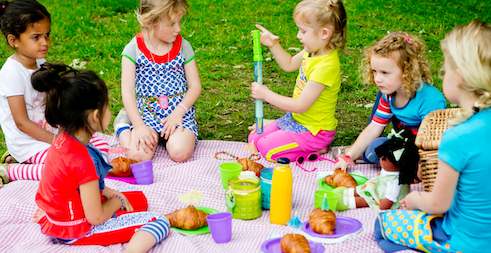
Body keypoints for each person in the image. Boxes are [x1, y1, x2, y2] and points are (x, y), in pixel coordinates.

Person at [374, 20, 491, 253]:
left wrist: (415, 201)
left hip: (463, 242)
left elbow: (438, 203)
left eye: (445, 70)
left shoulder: (457, 137)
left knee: (382, 225)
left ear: (461, 77)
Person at [33, 63, 170, 252]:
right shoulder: (83, 160)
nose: (111, 111)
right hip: (76, 230)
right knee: (159, 221)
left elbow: (66, 182)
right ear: (95, 116)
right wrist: (116, 202)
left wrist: (108, 192)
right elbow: (95, 218)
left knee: (139, 199)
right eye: (108, 106)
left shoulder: (63, 139)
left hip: (57, 215)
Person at [0, 0, 108, 186]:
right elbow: (22, 123)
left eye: (47, 35)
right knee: (68, 168)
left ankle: (28, 161)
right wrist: (58, 141)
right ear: (14, 40)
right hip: (28, 143)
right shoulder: (11, 73)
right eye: (36, 37)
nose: (45, 42)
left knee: (98, 145)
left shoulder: (40, 63)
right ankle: (13, 170)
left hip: (51, 134)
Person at [248, 0, 347, 169]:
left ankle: (316, 148)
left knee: (267, 150)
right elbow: (288, 64)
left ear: (324, 33)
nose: (298, 36)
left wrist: (266, 95)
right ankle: (283, 132)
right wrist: (274, 44)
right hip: (296, 120)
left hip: (315, 131)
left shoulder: (326, 66)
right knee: (254, 137)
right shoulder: (312, 51)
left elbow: (300, 105)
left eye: (303, 31)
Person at [334, 32, 446, 170]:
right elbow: (375, 127)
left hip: (427, 148)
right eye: (375, 71)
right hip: (401, 142)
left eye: (385, 73)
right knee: (372, 152)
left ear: (407, 71)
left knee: (391, 156)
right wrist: (348, 156)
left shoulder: (430, 100)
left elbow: (433, 141)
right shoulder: (389, 94)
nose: (377, 79)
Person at [114, 0, 201, 163]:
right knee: (137, 156)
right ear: (151, 22)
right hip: (146, 114)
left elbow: (195, 87)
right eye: (172, 24)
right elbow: (127, 91)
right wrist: (139, 126)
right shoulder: (132, 50)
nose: (178, 29)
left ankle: (160, 135)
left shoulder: (184, 46)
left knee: (180, 153)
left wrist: (178, 114)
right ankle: (123, 127)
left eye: (179, 22)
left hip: (179, 113)